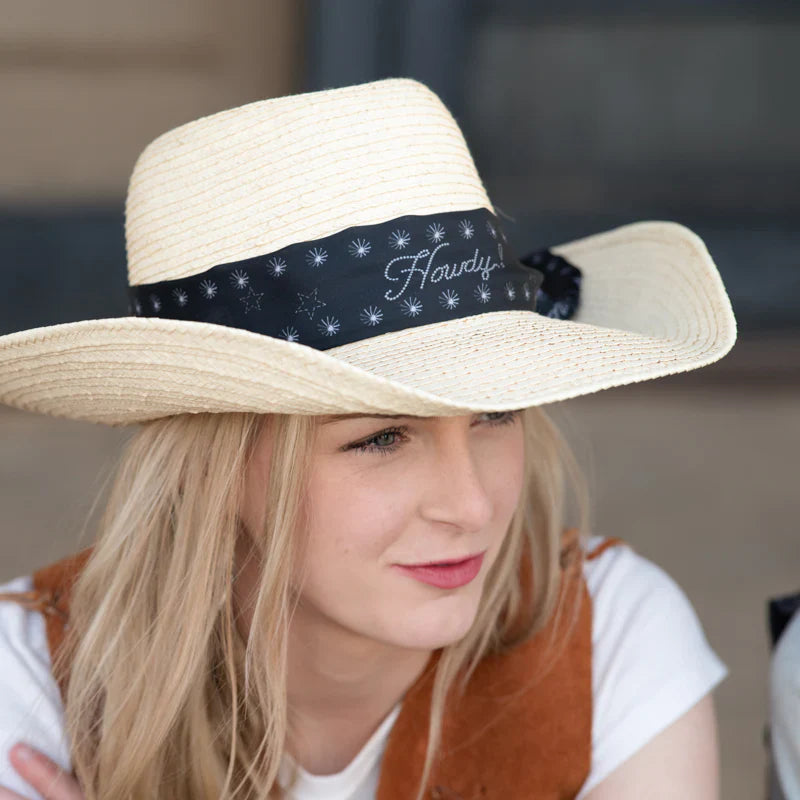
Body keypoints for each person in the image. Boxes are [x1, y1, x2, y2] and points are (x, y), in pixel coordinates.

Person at [0, 77, 735, 800]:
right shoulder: (26, 681)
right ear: (212, 471)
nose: (471, 506)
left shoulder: (608, 634)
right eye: (382, 438)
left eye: (496, 415)